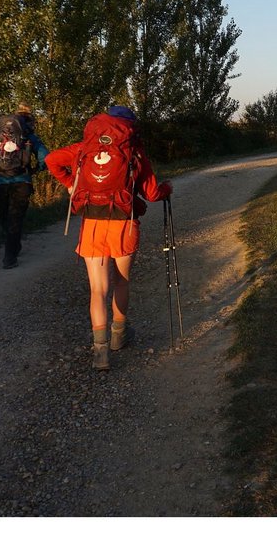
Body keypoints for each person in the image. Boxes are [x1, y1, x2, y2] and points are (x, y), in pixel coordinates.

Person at [44, 106, 172, 371]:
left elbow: (52, 161)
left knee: (97, 289)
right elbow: (152, 193)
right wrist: (167, 189)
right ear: (130, 128)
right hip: (123, 224)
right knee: (121, 281)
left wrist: (72, 184)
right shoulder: (134, 152)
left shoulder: (83, 148)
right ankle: (118, 335)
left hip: (92, 223)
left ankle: (100, 351)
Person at [0, 104, 50, 270]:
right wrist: (37, 169)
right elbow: (46, 157)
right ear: (29, 122)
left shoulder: (0, 135)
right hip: (21, 181)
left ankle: (12, 245)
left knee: (4, 215)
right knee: (16, 217)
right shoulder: (29, 137)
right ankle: (10, 256)